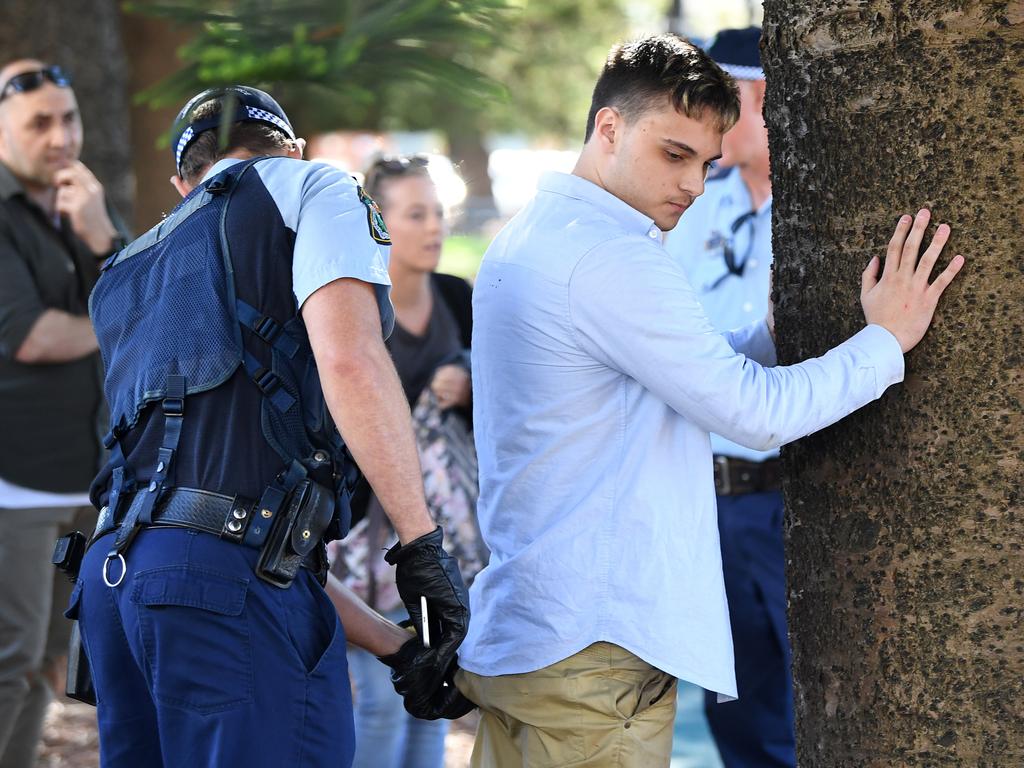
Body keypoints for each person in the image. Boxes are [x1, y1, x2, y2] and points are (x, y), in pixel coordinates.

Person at [454, 33, 964, 768]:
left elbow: (654, 374)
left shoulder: (537, 232)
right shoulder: (610, 254)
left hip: (541, 641)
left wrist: (766, 334)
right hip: (591, 662)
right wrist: (884, 342)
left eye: (706, 162)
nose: (693, 184)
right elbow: (753, 416)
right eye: (674, 154)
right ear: (609, 128)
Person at [70, 86, 471, 768]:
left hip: (112, 590)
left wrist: (393, 643)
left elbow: (217, 530)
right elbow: (350, 361)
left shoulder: (125, 268)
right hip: (220, 595)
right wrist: (421, 545)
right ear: (292, 149)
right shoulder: (311, 185)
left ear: (182, 181)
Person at [663, 27, 795, 767]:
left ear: (767, 103)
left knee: (806, 696)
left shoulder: (821, 214)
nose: (703, 119)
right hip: (704, 497)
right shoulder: (695, 208)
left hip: (790, 492)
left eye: (722, 101)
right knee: (731, 701)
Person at [331, 154, 486, 768]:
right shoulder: (353, 303)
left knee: (436, 693)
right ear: (378, 220)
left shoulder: (456, 295)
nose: (434, 227)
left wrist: (470, 381)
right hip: (365, 538)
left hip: (443, 534)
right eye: (416, 214)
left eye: (439, 213)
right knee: (377, 699)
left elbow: (502, 394)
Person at [0, 59, 128, 768]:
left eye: (69, 118)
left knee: (49, 662)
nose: (61, 136)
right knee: (10, 654)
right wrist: (120, 318)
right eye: (39, 122)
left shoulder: (82, 203)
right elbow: (33, 336)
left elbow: (148, 291)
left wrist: (102, 238)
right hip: (14, 479)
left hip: (85, 478)